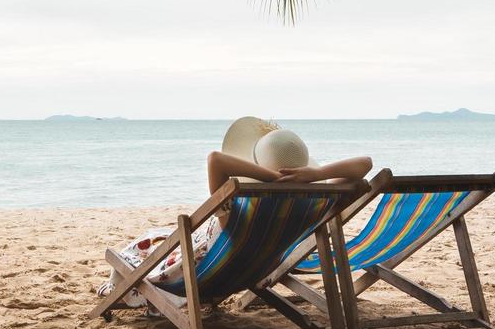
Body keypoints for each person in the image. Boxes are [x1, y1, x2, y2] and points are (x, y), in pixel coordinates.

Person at [95, 118, 372, 307]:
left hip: (195, 273)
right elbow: (363, 172)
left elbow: (215, 159)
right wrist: (316, 175)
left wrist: (272, 177)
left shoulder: (236, 211)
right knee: (160, 238)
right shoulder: (314, 204)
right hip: (255, 268)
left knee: (143, 248)